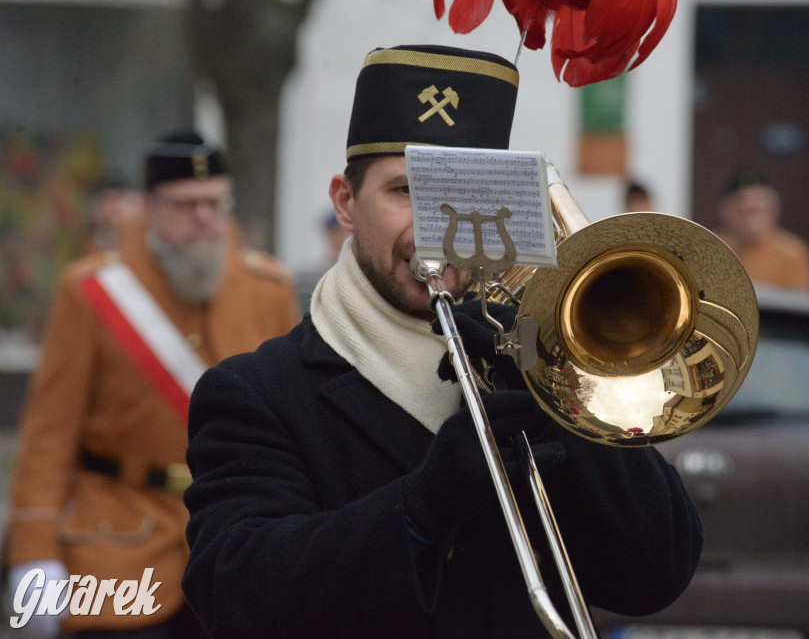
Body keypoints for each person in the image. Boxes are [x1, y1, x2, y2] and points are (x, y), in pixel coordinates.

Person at [181, 44, 703, 638]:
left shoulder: (533, 357)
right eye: (405, 191)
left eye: (465, 195)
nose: (440, 228)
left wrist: (558, 392)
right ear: (345, 202)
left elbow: (656, 574)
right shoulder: (258, 392)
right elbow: (235, 595)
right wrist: (421, 505)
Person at [3, 130, 299, 636]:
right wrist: (33, 554)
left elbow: (294, 425)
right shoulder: (92, 291)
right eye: (186, 205)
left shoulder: (267, 289)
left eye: (214, 203)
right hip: (117, 548)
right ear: (147, 206)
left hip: (235, 550)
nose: (204, 218)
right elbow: (49, 435)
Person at [716, 172, 809, 293]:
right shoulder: (713, 248)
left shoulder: (791, 253)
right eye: (742, 209)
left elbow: (802, 304)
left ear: (774, 211)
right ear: (724, 212)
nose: (748, 207)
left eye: (756, 210)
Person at [87, 169, 143, 251]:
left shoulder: (143, 237)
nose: (114, 206)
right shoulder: (96, 242)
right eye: (108, 198)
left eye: (119, 197)